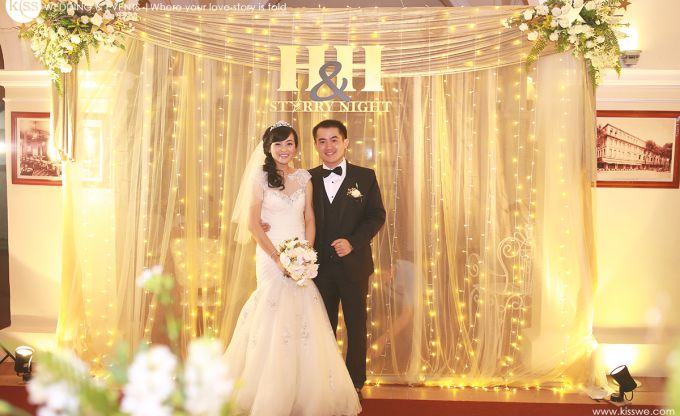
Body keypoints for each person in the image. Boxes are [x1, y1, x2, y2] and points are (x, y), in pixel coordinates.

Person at [224, 121, 361, 416]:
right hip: (270, 254)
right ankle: (266, 390)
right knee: (272, 310)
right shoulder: (259, 178)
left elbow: (310, 217)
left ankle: (304, 391)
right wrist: (277, 258)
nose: (284, 149)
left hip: (300, 256)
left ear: (296, 147)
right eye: (278, 144)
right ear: (268, 148)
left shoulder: (304, 178)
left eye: (289, 143)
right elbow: (253, 223)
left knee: (303, 313)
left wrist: (305, 254)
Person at [308, 120, 386, 398]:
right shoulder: (306, 178)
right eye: (322, 141)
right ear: (316, 145)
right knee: (322, 327)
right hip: (318, 268)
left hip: (354, 266)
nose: (328, 146)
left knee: (356, 325)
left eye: (334, 140)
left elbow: (376, 215)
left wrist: (353, 242)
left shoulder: (365, 177)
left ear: (345, 142)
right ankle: (325, 381)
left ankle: (355, 382)